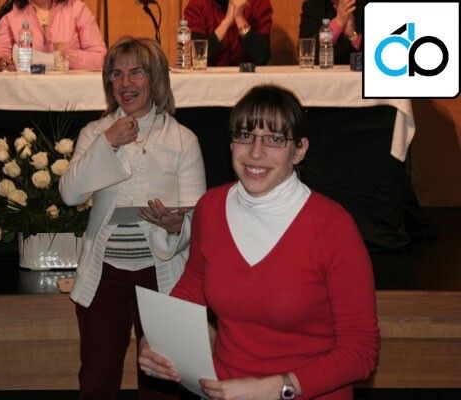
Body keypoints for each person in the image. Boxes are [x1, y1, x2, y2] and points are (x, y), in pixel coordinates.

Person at [138, 85, 379, 400]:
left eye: (275, 139)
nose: (255, 152)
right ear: (231, 143)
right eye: (245, 135)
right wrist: (158, 338)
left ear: (300, 150)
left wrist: (276, 388)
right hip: (223, 391)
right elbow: (194, 286)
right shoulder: (211, 208)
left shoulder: (333, 227)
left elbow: (361, 352)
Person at [59, 36, 207, 399]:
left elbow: (199, 219)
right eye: (117, 74)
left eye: (136, 72)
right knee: (97, 380)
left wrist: (177, 225)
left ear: (155, 79)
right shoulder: (95, 133)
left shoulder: (183, 139)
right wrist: (107, 142)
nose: (125, 83)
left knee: (165, 383)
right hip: (105, 272)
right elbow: (70, 194)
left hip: (165, 271)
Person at [0, 0, 106, 71]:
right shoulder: (10, 13)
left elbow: (101, 58)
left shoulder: (77, 8)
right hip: (26, 94)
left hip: (70, 94)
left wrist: (69, 57)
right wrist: (3, 62)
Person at [184, 0, 272, 66]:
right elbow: (196, 58)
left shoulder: (258, 2)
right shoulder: (198, 4)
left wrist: (240, 19)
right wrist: (227, 22)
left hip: (248, 79)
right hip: (207, 79)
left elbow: (263, 58)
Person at [299, 0, 367, 65]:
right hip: (323, 71)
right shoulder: (312, 6)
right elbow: (306, 53)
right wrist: (338, 23)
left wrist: (353, 36)